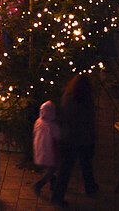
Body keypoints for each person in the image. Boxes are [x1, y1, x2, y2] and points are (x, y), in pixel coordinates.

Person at [52, 73, 98, 204]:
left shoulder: (67, 97)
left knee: (65, 170)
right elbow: (89, 122)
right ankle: (90, 187)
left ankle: (58, 196)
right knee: (86, 165)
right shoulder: (86, 102)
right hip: (83, 139)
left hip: (67, 138)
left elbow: (64, 116)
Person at [33, 100, 61, 198]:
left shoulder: (38, 122)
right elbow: (58, 137)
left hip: (41, 151)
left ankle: (53, 183)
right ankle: (39, 184)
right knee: (52, 169)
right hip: (50, 152)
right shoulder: (52, 126)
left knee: (50, 169)